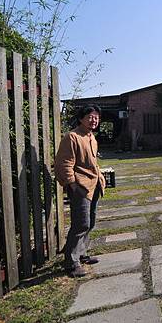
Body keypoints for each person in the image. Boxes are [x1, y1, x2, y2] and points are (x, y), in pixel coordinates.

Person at [55, 104, 106, 277]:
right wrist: (72, 184)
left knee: (90, 222)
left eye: (96, 117)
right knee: (80, 223)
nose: (94, 120)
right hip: (81, 185)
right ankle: (71, 262)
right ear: (81, 118)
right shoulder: (72, 136)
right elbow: (64, 163)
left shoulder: (91, 137)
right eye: (90, 117)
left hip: (95, 184)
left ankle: (81, 253)